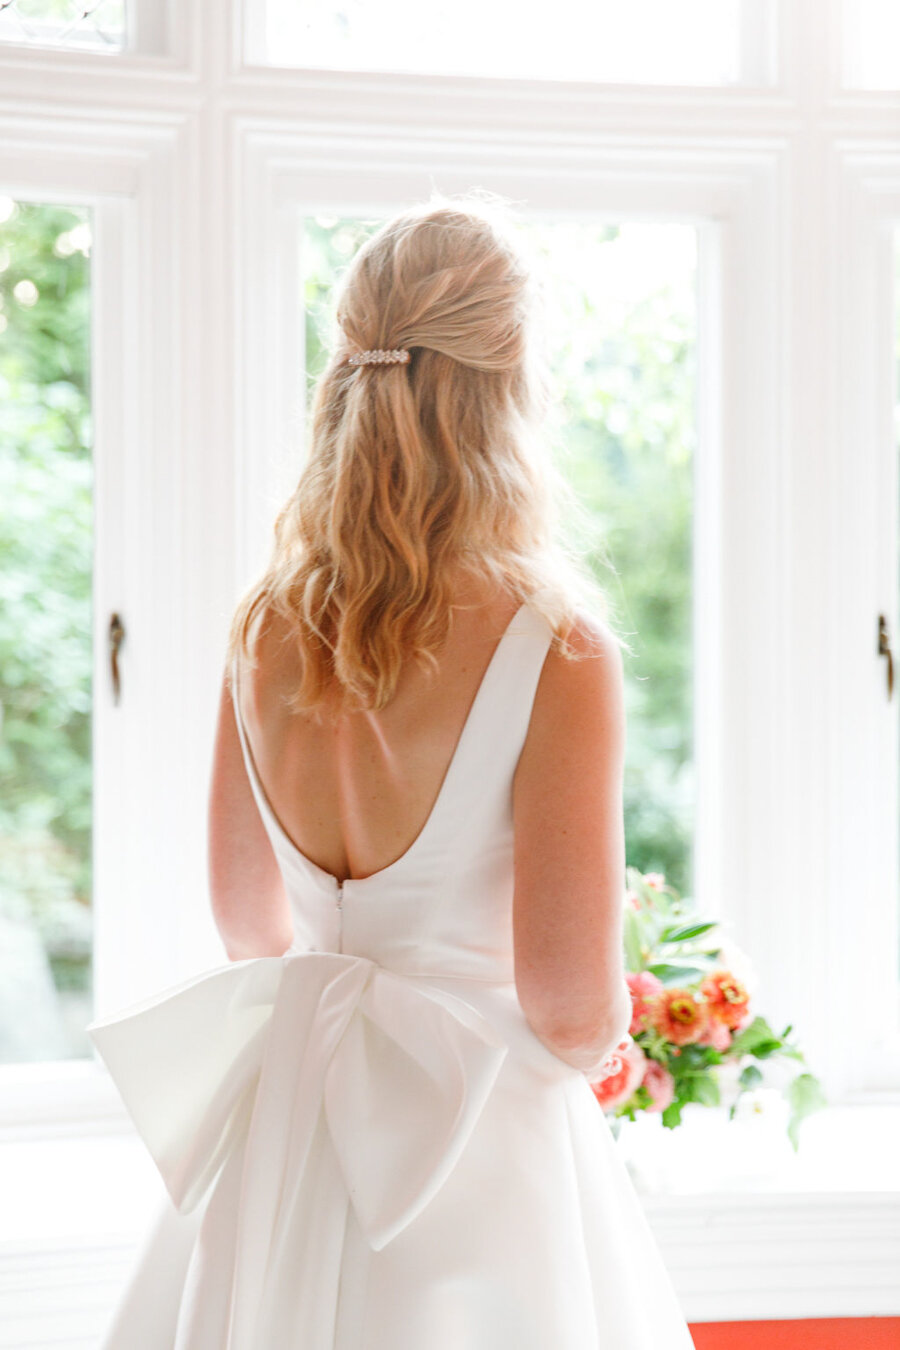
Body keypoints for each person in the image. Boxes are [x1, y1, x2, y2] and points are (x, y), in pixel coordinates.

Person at [88, 190, 696, 1348]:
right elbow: (572, 1011)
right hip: (474, 1152)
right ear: (512, 385)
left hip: (287, 1138)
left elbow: (248, 921)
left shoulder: (266, 624)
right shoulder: (557, 646)